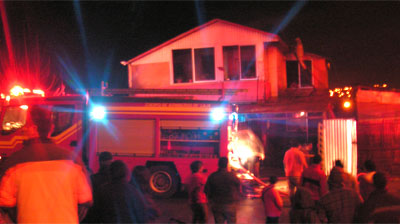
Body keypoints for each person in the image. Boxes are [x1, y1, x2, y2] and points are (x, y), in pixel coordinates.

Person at [0, 105, 92, 223]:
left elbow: (5, 205)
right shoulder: (73, 161)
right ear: (51, 128)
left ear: (31, 128)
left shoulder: (13, 163)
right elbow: (85, 202)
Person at [205, 157, 241, 224]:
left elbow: (207, 190)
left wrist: (211, 200)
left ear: (218, 164)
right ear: (227, 164)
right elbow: (239, 186)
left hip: (217, 204)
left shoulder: (213, 176)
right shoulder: (232, 176)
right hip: (230, 204)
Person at [83, 151, 113, 223]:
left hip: (96, 215)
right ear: (112, 162)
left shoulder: (93, 179)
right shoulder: (114, 180)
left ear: (100, 162)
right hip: (110, 215)